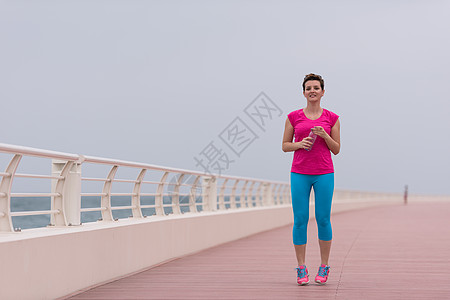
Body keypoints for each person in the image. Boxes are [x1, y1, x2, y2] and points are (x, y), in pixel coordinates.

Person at [282, 73, 341, 285]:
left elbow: (337, 149)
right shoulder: (293, 117)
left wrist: (325, 136)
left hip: (324, 172)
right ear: (304, 92)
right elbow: (285, 145)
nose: (312, 91)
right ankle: (301, 268)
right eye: (309, 88)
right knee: (300, 220)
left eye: (316, 87)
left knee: (323, 219)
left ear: (323, 92)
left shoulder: (332, 118)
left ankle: (324, 266)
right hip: (299, 173)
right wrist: (300, 144)